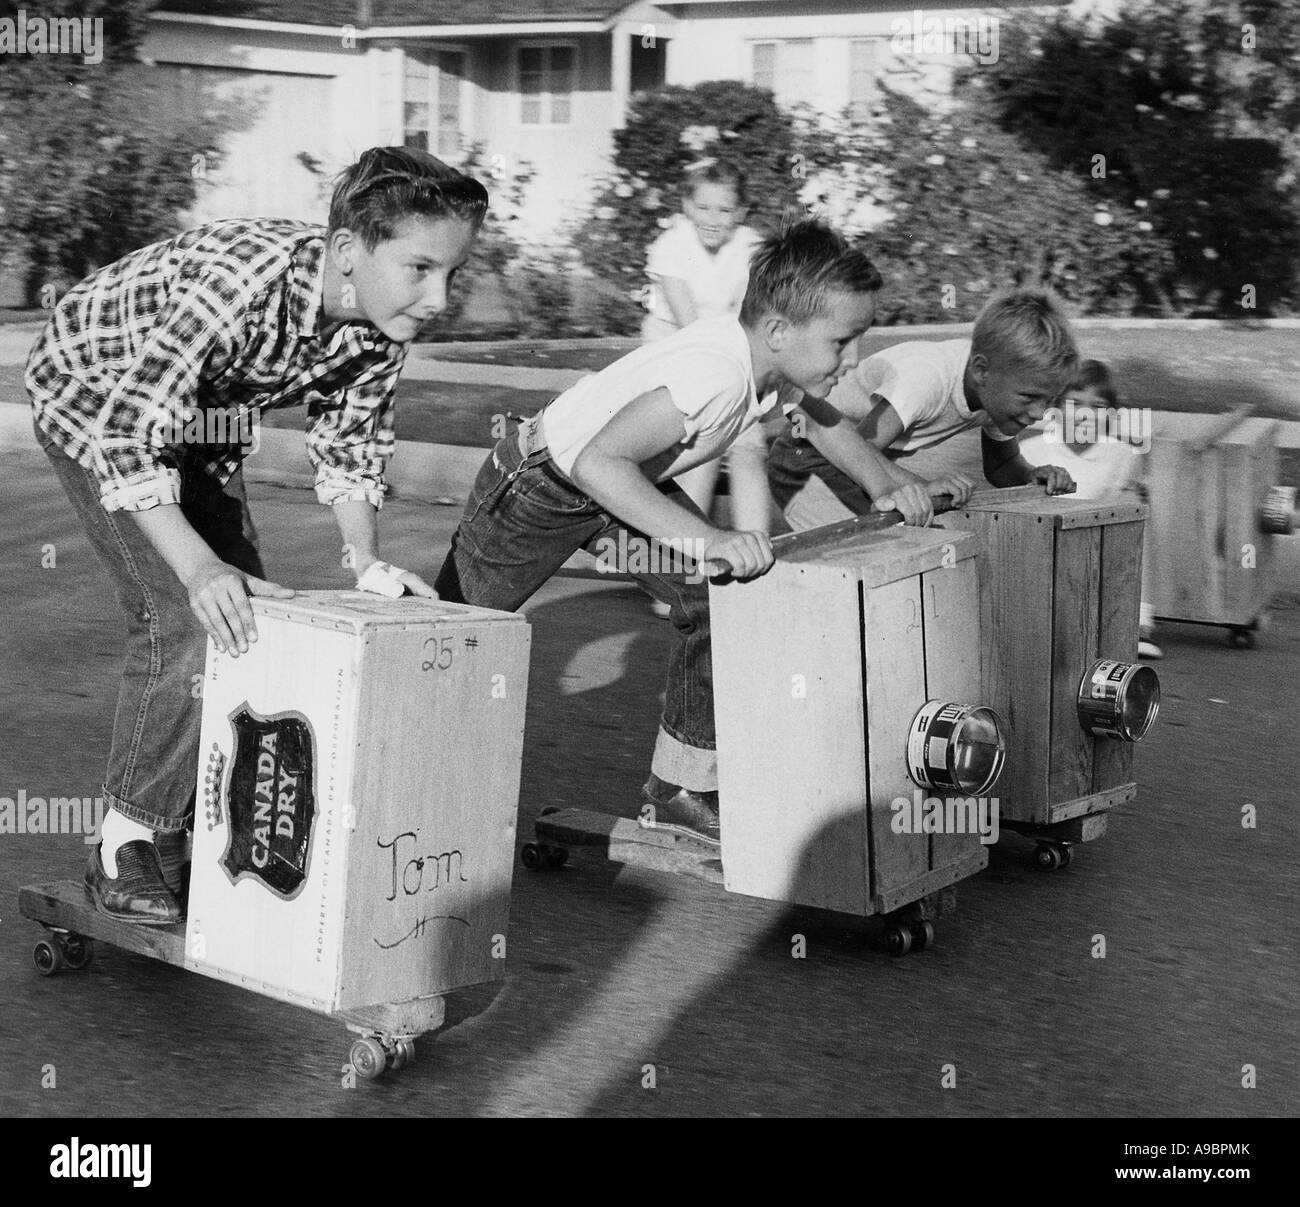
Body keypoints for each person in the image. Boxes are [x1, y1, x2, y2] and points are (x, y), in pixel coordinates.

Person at [26, 146, 488, 924]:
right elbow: (128, 438)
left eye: (452, 273)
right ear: (348, 250)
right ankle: (123, 842)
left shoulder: (379, 324)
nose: (439, 296)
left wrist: (365, 558)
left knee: (247, 625)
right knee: (184, 616)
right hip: (94, 399)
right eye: (419, 268)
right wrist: (200, 569)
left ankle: (192, 828)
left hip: (199, 421)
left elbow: (351, 443)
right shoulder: (241, 282)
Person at [435, 220, 951, 845]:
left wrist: (884, 484)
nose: (853, 361)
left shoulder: (772, 362)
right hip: (539, 487)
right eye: (843, 341)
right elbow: (600, 462)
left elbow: (821, 422)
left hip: (615, 490)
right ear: (779, 331)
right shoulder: (719, 374)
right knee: (445, 640)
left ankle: (682, 782)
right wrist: (709, 541)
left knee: (713, 598)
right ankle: (397, 758)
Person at [767, 287, 1081, 530]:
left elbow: (1002, 466)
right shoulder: (927, 378)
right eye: (1029, 397)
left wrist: (1032, 476)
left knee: (909, 536)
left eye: (1050, 400)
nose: (1040, 413)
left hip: (856, 465)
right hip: (812, 454)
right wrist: (921, 486)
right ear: (982, 371)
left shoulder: (997, 389)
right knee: (870, 551)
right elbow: (858, 451)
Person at [642, 160, 770, 615]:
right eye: (704, 207)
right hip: (677, 352)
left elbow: (751, 315)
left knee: (751, 448)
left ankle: (758, 568)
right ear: (686, 206)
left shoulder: (753, 248)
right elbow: (688, 325)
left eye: (725, 209)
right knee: (703, 449)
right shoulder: (670, 248)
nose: (714, 219)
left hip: (730, 354)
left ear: (741, 212)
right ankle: (680, 576)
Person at [1022, 358, 1163, 659]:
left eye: (1098, 407)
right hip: (1045, 552)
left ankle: (1136, 621)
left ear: (1111, 416)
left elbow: (1131, 521)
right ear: (1056, 409)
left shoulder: (1124, 455)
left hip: (1097, 553)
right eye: (1074, 403)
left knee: (1136, 508)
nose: (1085, 415)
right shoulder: (1031, 452)